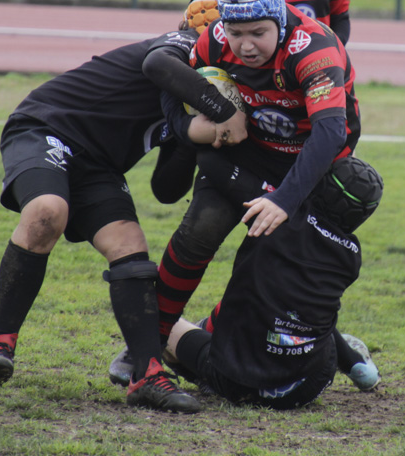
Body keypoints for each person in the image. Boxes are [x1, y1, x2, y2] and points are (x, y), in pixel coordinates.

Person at [0, 0, 245, 414]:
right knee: (48, 212)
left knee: (129, 245)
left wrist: (197, 137)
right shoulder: (180, 48)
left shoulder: (203, 94)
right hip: (47, 128)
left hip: (97, 165)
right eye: (237, 31)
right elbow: (160, 65)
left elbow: (166, 190)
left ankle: (147, 374)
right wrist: (224, 113)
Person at [140, 0, 360, 351]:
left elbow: (329, 133)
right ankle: (148, 342)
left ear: (280, 19)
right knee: (201, 230)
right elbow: (173, 84)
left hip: (310, 163)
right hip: (250, 154)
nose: (245, 45)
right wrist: (186, 129)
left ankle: (211, 331)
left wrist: (283, 200)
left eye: (258, 32)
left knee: (271, 263)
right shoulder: (216, 40)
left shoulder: (314, 48)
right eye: (236, 31)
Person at [163, 156, 384, 409]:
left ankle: (143, 357)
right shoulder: (351, 255)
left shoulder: (275, 215)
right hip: (307, 386)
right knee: (303, 313)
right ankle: (357, 366)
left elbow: (214, 164)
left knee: (164, 321)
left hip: (235, 378)